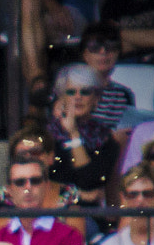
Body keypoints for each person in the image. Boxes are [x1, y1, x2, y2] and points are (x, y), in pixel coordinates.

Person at [43, 64, 120, 212]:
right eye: (71, 92)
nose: (78, 97)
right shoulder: (46, 136)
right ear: (61, 97)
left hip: (89, 216)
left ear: (96, 99)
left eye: (85, 92)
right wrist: (80, 195)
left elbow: (89, 183)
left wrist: (73, 134)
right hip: (51, 212)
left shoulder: (105, 139)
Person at [78, 24, 141, 132]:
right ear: (85, 54)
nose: (103, 52)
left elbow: (127, 133)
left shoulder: (124, 94)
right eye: (95, 47)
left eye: (111, 46)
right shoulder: (72, 91)